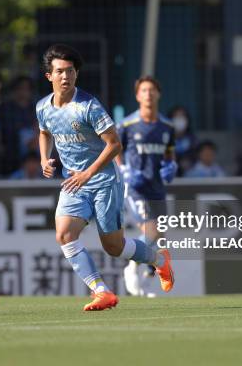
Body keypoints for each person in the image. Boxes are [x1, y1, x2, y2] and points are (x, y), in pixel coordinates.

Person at [36, 44, 173, 311]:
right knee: (64, 235)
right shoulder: (43, 107)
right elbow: (44, 132)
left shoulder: (88, 106)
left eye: (71, 71)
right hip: (74, 183)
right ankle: (102, 291)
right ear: (49, 76)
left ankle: (159, 260)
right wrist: (44, 158)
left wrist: (88, 173)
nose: (66, 77)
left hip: (104, 182)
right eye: (60, 72)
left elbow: (114, 145)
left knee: (113, 246)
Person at [115, 76, 177, 297]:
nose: (148, 94)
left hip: (157, 187)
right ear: (137, 95)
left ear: (158, 94)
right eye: (144, 90)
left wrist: (171, 165)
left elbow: (169, 152)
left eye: (152, 90)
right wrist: (124, 170)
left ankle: (145, 282)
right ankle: (131, 266)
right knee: (151, 229)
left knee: (160, 237)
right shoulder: (127, 125)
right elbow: (115, 150)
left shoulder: (167, 126)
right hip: (136, 188)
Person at [0, 76, 37, 174]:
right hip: (12, 145)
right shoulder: (5, 108)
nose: (23, 92)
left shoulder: (36, 107)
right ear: (14, 90)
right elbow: (6, 130)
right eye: (20, 88)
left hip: (35, 144)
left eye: (26, 89)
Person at [168, 106, 196, 175]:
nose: (179, 119)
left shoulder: (193, 139)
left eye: (182, 116)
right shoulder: (165, 138)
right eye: (176, 116)